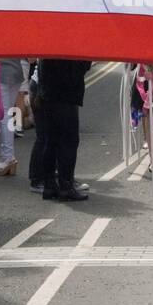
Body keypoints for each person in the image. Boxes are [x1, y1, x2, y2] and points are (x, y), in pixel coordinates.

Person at [34, 58, 93, 202]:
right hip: (65, 96)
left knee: (50, 141)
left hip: (47, 94)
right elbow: (78, 69)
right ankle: (66, 186)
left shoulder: (48, 42)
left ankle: (49, 185)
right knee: (68, 142)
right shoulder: (68, 44)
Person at [0, 59, 28, 177]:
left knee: (5, 115)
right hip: (18, 69)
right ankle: (8, 154)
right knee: (11, 110)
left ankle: (7, 157)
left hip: (3, 72)